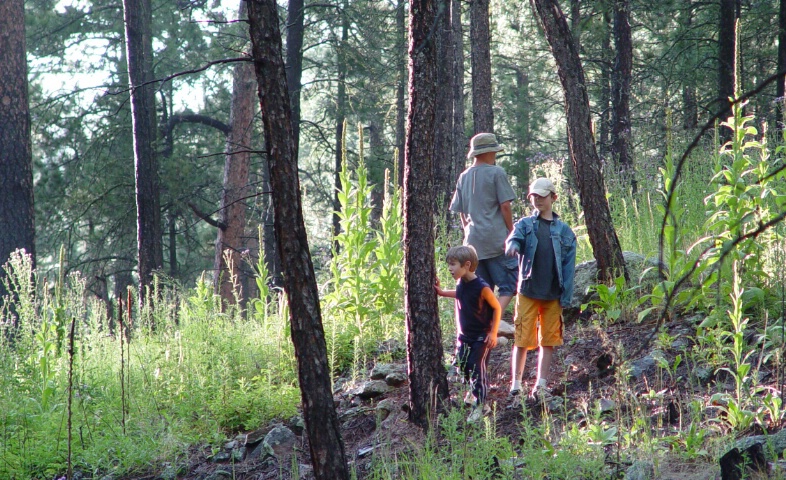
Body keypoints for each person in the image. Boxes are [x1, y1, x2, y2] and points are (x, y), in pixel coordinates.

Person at [504, 177, 576, 403]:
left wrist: (566, 296)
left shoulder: (565, 232)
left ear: (553, 197)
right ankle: (516, 384)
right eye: (534, 196)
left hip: (553, 295)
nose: (537, 200)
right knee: (522, 338)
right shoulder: (525, 225)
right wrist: (513, 246)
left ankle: (541, 384)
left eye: (542, 196)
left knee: (549, 339)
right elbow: (513, 238)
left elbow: (569, 267)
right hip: (527, 290)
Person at [449, 133, 518, 314]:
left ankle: (483, 327)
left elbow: (461, 211)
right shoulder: (497, 172)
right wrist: (512, 232)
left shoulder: (464, 176)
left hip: (473, 243)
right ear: (489, 153)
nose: (495, 155)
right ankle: (494, 319)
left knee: (481, 288)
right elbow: (505, 205)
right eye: (494, 152)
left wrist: (467, 229)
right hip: (497, 240)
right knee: (509, 285)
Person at [435, 245, 502, 423]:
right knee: (462, 366)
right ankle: (472, 395)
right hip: (464, 337)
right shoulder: (461, 283)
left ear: (466, 264)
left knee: (476, 367)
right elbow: (460, 295)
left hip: (481, 337)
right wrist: (442, 293)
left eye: (453, 264)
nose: (449, 268)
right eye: (448, 264)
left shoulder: (482, 287)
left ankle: (481, 405)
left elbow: (496, 307)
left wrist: (493, 333)